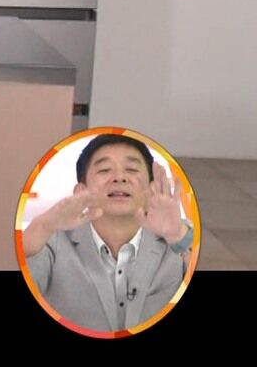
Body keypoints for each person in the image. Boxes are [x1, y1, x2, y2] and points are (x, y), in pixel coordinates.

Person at [22, 134, 193, 332]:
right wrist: (43, 225)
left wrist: (178, 237)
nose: (119, 178)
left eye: (131, 169)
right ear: (81, 190)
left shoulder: (180, 235)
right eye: (104, 170)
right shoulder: (52, 238)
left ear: (151, 188)